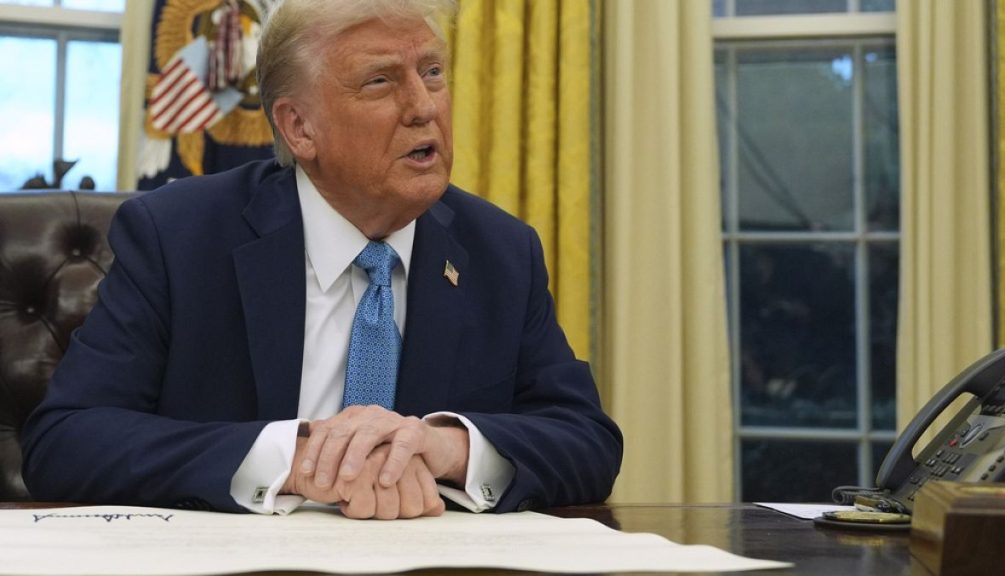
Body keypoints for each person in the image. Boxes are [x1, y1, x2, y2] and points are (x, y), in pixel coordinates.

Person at [20, 0, 622, 520]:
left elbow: (587, 440)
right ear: (299, 127)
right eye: (380, 82)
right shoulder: (178, 237)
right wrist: (296, 459)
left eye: (432, 72)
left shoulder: (501, 251)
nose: (423, 106)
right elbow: (66, 442)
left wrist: (447, 447)